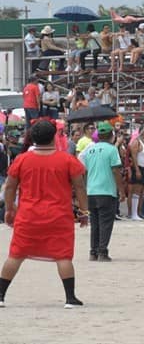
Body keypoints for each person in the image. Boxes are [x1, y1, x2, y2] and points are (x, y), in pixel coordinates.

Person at [0, 120, 88, 309]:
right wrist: (84, 211)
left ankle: (0, 295)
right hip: (59, 216)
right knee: (63, 256)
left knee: (16, 255)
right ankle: (70, 298)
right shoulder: (67, 160)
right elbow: (80, 187)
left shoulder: (22, 159)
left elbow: (10, 187)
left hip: (28, 215)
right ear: (54, 137)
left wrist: (9, 209)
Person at [82, 121, 125, 262]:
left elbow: (84, 170)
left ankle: (93, 252)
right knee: (106, 223)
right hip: (106, 191)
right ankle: (102, 252)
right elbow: (116, 170)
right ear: (111, 135)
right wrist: (122, 190)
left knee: (95, 224)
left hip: (91, 191)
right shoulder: (112, 149)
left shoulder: (89, 150)